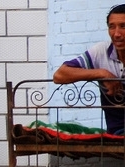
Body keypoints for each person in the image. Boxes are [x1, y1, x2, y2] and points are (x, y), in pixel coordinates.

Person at [53, 4, 125, 135]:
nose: (117, 34)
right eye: (111, 27)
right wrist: (102, 73)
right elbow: (59, 75)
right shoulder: (102, 51)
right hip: (117, 133)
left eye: (123, 26)